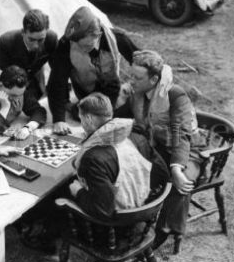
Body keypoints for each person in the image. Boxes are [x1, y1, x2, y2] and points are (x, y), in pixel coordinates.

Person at [115, 50, 202, 247]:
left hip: (187, 151)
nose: (131, 81)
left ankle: (162, 232)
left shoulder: (175, 94)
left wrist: (177, 168)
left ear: (154, 79)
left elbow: (182, 135)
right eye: (130, 76)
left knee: (181, 182)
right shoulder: (137, 93)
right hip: (158, 147)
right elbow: (119, 117)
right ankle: (129, 217)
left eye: (137, 77)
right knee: (129, 167)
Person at [69, 92, 169, 220]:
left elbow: (103, 210)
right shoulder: (138, 137)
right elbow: (163, 173)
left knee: (66, 189)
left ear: (88, 119)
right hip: (146, 205)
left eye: (81, 119)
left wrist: (78, 191)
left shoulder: (92, 158)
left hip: (120, 219)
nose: (82, 125)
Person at [47, 6, 139, 135]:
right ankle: (74, 107)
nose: (83, 49)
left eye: (87, 46)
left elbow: (141, 60)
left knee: (110, 118)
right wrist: (58, 120)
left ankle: (80, 108)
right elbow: (56, 82)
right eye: (78, 46)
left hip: (111, 89)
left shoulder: (116, 37)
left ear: (98, 35)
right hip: (85, 92)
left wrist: (135, 82)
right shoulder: (66, 44)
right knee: (90, 118)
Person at [0, 9, 58, 99]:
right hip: (11, 84)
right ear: (23, 32)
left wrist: (50, 91)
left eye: (41, 40)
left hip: (33, 80)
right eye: (31, 40)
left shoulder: (51, 39)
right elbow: (4, 73)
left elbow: (57, 69)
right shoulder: (7, 41)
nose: (36, 45)